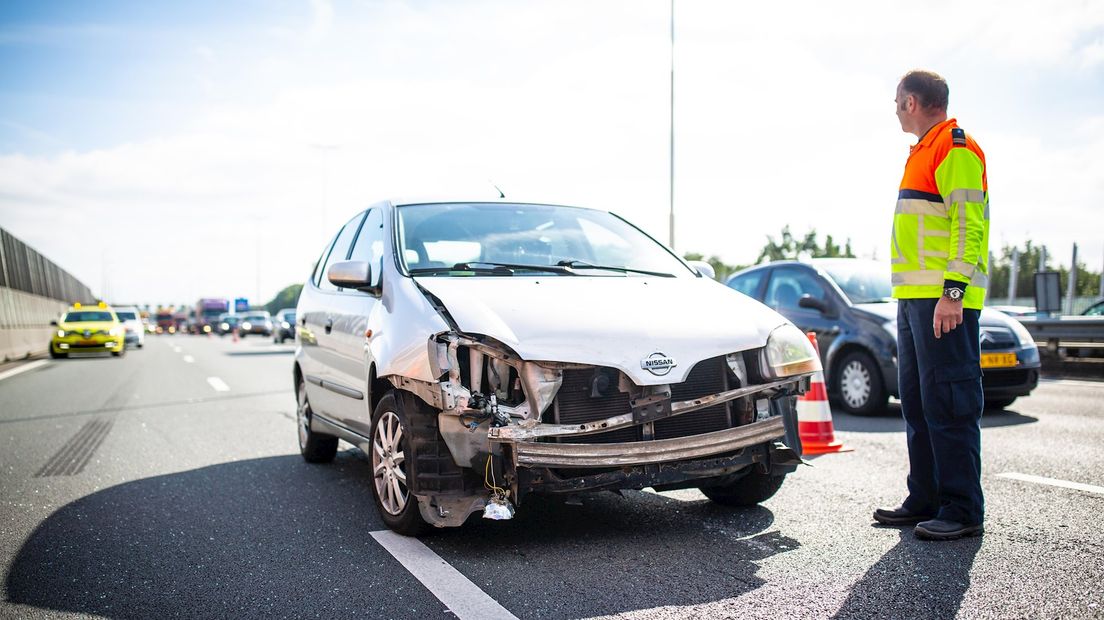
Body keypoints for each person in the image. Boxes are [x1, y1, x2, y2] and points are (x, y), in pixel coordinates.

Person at [874, 70, 991, 541]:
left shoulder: (955, 148)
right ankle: (925, 497)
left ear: (913, 102)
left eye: (897, 99)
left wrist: (953, 293)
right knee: (919, 404)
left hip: (944, 300)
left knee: (950, 404)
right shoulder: (923, 150)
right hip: (914, 299)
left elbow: (970, 225)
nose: (894, 107)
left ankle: (962, 508)